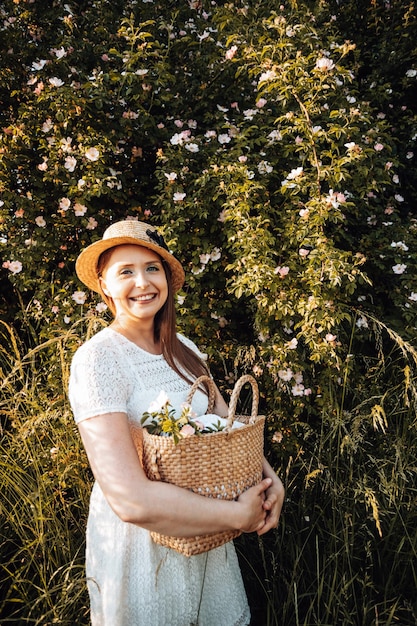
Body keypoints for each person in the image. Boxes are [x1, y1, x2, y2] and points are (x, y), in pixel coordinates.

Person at [68, 219, 284, 626]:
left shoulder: (183, 349)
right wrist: (237, 517)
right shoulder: (99, 360)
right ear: (104, 285)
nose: (143, 282)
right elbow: (129, 499)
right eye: (126, 271)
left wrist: (271, 482)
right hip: (143, 545)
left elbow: (228, 421)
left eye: (152, 268)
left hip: (207, 531)